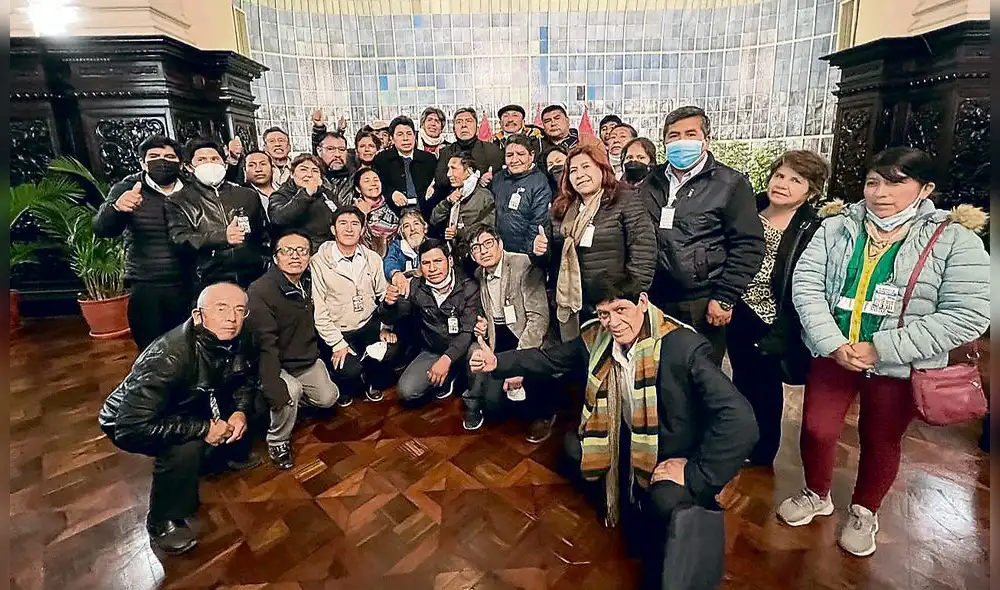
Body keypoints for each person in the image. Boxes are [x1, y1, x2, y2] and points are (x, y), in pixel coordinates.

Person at [468, 276, 757, 588]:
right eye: (605, 314)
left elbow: (740, 420)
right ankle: (626, 496)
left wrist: (696, 472)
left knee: (666, 503)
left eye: (622, 309)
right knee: (574, 449)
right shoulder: (595, 337)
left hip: (673, 452)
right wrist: (497, 362)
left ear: (643, 303)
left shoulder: (682, 346)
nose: (614, 323)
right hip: (629, 438)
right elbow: (549, 358)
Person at [778, 147, 990, 557]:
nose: (881, 193)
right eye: (873, 181)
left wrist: (881, 348)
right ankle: (817, 492)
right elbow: (806, 283)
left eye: (896, 182)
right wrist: (833, 342)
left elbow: (968, 315)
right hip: (833, 353)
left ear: (925, 188)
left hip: (899, 362)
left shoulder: (954, 239)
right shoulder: (837, 227)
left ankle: (864, 510)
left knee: (881, 437)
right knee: (817, 429)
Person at [98, 282, 264, 555]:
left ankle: (226, 455)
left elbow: (244, 379)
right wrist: (203, 428)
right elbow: (131, 426)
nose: (232, 318)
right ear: (198, 315)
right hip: (133, 419)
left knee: (256, 403)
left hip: (191, 400)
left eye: (239, 310)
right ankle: (162, 520)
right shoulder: (169, 356)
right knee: (184, 447)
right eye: (221, 309)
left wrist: (239, 412)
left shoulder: (243, 336)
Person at [725, 150, 829, 468]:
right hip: (734, 307)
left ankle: (762, 449)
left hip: (772, 316)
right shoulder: (747, 209)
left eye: (795, 180)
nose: (782, 184)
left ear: (810, 191)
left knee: (765, 387)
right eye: (779, 176)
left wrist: (783, 328)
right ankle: (736, 438)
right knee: (739, 378)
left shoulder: (811, 228)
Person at [637, 106, 765, 365]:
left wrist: (725, 297)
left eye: (690, 134)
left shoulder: (730, 183)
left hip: (702, 301)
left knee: (698, 375)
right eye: (674, 136)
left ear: (706, 140)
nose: (681, 141)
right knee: (657, 373)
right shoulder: (650, 182)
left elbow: (748, 245)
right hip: (655, 298)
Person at [534, 143, 657, 341]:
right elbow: (552, 262)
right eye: (573, 170)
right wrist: (541, 252)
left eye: (586, 167)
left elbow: (644, 254)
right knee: (581, 361)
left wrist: (626, 300)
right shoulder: (562, 209)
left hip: (614, 306)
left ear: (602, 168)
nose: (579, 174)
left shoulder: (625, 200)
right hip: (575, 305)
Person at [246, 231, 340, 469]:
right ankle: (278, 440)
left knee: (329, 398)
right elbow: (265, 345)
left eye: (302, 251)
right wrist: (273, 383)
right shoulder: (261, 291)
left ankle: (292, 407)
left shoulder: (309, 280)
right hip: (274, 362)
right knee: (290, 390)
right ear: (276, 258)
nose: (295, 256)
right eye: (287, 251)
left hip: (306, 359)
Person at [94, 134, 191, 352]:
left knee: (191, 348)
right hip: (148, 285)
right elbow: (101, 228)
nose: (163, 161)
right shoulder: (127, 188)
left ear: (180, 162)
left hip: (189, 283)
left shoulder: (192, 188)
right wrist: (117, 209)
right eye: (154, 156)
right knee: (153, 352)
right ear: (142, 162)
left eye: (169, 156)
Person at [465, 226, 556, 441]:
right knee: (493, 407)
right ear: (472, 255)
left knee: (533, 390)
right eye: (476, 248)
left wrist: (520, 362)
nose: (484, 251)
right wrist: (484, 324)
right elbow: (487, 310)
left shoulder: (523, 265)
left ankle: (545, 414)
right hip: (501, 335)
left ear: (500, 244)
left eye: (488, 243)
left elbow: (538, 320)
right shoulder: (480, 273)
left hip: (530, 336)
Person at [311, 207, 401, 406]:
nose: (349, 229)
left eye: (355, 224)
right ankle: (347, 384)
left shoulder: (372, 258)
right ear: (333, 229)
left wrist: (385, 326)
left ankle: (372, 380)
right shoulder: (318, 262)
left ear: (362, 230)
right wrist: (337, 344)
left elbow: (382, 295)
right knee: (348, 369)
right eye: (343, 223)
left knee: (392, 347)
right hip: (339, 329)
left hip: (368, 324)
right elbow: (319, 311)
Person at [379, 239, 479, 403]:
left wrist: (446, 360)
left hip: (464, 347)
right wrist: (388, 304)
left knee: (477, 357)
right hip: (434, 349)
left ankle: (470, 394)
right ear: (420, 266)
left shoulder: (469, 287)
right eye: (426, 263)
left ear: (450, 261)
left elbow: (467, 332)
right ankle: (448, 378)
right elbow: (393, 316)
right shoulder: (415, 287)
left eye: (438, 261)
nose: (432, 269)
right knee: (406, 391)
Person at [165, 137, 267, 292]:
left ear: (224, 163)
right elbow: (179, 239)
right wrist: (222, 237)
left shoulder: (247, 195)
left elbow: (264, 235)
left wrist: (264, 264)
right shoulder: (178, 200)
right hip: (208, 282)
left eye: (214, 159)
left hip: (254, 280)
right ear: (189, 166)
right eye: (202, 160)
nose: (209, 164)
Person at [430, 152, 496, 269]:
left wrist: (459, 233)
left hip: (475, 259)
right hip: (455, 256)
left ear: (469, 171)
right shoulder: (453, 193)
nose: (449, 174)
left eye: (454, 169)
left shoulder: (484, 196)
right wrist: (447, 202)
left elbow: (487, 228)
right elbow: (434, 218)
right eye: (448, 169)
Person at [491, 135, 553, 255]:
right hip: (499, 253)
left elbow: (538, 223)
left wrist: (524, 254)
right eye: (509, 155)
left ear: (531, 155)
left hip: (525, 255)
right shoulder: (498, 178)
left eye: (520, 154)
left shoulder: (539, 182)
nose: (514, 160)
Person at [432, 107, 505, 203]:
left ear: (477, 129)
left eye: (468, 121)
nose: (464, 125)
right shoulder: (446, 152)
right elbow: (440, 182)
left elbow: (502, 182)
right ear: (454, 130)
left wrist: (491, 180)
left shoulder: (492, 150)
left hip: (484, 206)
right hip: (454, 204)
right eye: (459, 122)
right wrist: (475, 180)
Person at [268, 154, 338, 252]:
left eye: (315, 171)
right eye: (303, 169)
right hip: (295, 252)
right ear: (292, 174)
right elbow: (279, 219)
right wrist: (306, 193)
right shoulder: (280, 195)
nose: (309, 174)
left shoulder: (328, 195)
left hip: (327, 252)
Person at [372, 116, 437, 218]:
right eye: (400, 134)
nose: (405, 138)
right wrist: (392, 194)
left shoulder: (429, 159)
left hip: (425, 214)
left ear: (415, 136)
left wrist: (433, 187)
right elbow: (378, 184)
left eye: (409, 134)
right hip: (395, 215)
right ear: (392, 139)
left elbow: (438, 182)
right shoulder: (382, 159)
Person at [353, 167, 400, 257]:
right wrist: (363, 215)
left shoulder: (393, 206)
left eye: (376, 180)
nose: (373, 184)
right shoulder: (353, 212)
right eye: (367, 181)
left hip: (390, 256)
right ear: (358, 189)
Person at [383, 208, 427, 293]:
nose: (412, 229)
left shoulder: (433, 246)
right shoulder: (397, 246)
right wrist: (396, 274)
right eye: (407, 226)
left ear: (424, 228)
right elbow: (390, 260)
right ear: (402, 232)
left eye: (416, 224)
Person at [315, 131, 355, 207]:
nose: (337, 154)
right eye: (330, 149)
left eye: (342, 150)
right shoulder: (312, 177)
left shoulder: (355, 177)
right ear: (319, 151)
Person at [243, 150, 276, 217]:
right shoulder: (241, 196)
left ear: (272, 169)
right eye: (251, 165)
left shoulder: (285, 191)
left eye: (263, 164)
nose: (258, 169)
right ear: (244, 171)